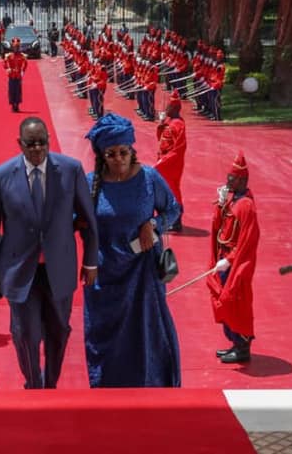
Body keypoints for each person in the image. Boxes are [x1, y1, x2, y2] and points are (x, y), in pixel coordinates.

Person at [0, 117, 99, 389]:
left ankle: (50, 383)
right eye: (30, 144)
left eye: (42, 142)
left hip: (59, 268)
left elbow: (89, 220)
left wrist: (91, 261)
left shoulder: (70, 170)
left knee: (58, 332)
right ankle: (33, 383)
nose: (37, 149)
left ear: (49, 141)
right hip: (20, 270)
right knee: (25, 334)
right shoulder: (1, 175)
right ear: (19, 144)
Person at [82, 114, 181, 387]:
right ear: (102, 155)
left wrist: (154, 224)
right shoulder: (90, 183)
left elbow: (173, 209)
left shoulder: (149, 178)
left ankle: (150, 385)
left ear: (132, 150)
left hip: (142, 272)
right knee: (104, 337)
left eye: (124, 152)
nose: (119, 159)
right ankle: (106, 388)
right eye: (111, 153)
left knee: (145, 332)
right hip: (104, 274)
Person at [206, 151, 260, 364]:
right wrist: (220, 205)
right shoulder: (234, 201)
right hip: (225, 259)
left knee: (238, 303)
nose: (227, 182)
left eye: (231, 179)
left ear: (241, 180)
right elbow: (221, 227)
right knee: (226, 301)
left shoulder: (246, 206)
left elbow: (247, 240)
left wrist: (230, 260)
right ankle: (235, 343)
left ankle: (243, 348)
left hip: (235, 263)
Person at [155, 91, 187, 231]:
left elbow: (178, 149)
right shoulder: (170, 122)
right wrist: (161, 124)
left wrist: (163, 161)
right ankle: (170, 218)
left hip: (171, 164)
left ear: (174, 108)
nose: (165, 109)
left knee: (173, 190)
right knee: (167, 190)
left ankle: (177, 220)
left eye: (168, 106)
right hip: (165, 161)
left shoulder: (178, 125)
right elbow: (161, 139)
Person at [4, 38, 28, 112]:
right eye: (15, 47)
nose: (16, 48)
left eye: (17, 47)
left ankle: (17, 105)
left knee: (18, 91)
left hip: (18, 76)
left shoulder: (22, 56)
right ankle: (12, 105)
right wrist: (8, 68)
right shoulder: (9, 56)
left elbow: (26, 63)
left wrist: (23, 71)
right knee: (11, 91)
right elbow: (5, 63)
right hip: (11, 76)